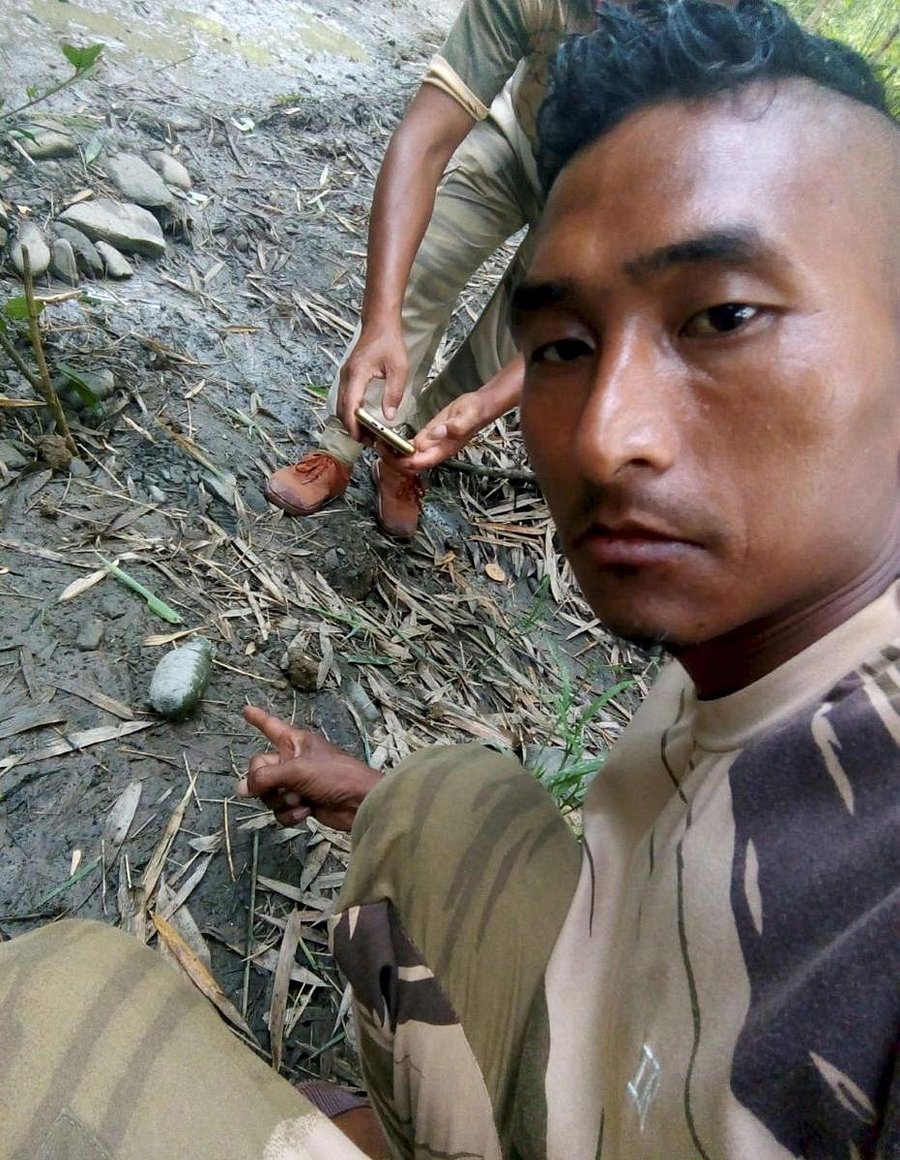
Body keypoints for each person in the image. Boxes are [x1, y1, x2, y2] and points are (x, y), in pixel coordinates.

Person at [1, 2, 897, 1157]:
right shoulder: (761, 625)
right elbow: (428, 138)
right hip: (605, 1045)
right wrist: (388, 327)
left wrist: (484, 397)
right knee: (438, 799)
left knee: (46, 1007)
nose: (607, 434)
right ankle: (408, 1111)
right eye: (568, 345)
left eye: (722, 316)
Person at [264, 0, 596, 539]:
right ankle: (341, 445)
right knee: (424, 265)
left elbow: (592, 306)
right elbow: (424, 142)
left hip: (595, 209)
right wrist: (380, 319)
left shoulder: (700, 65)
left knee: (514, 335)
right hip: (516, 143)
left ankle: (410, 453)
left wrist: (488, 405)